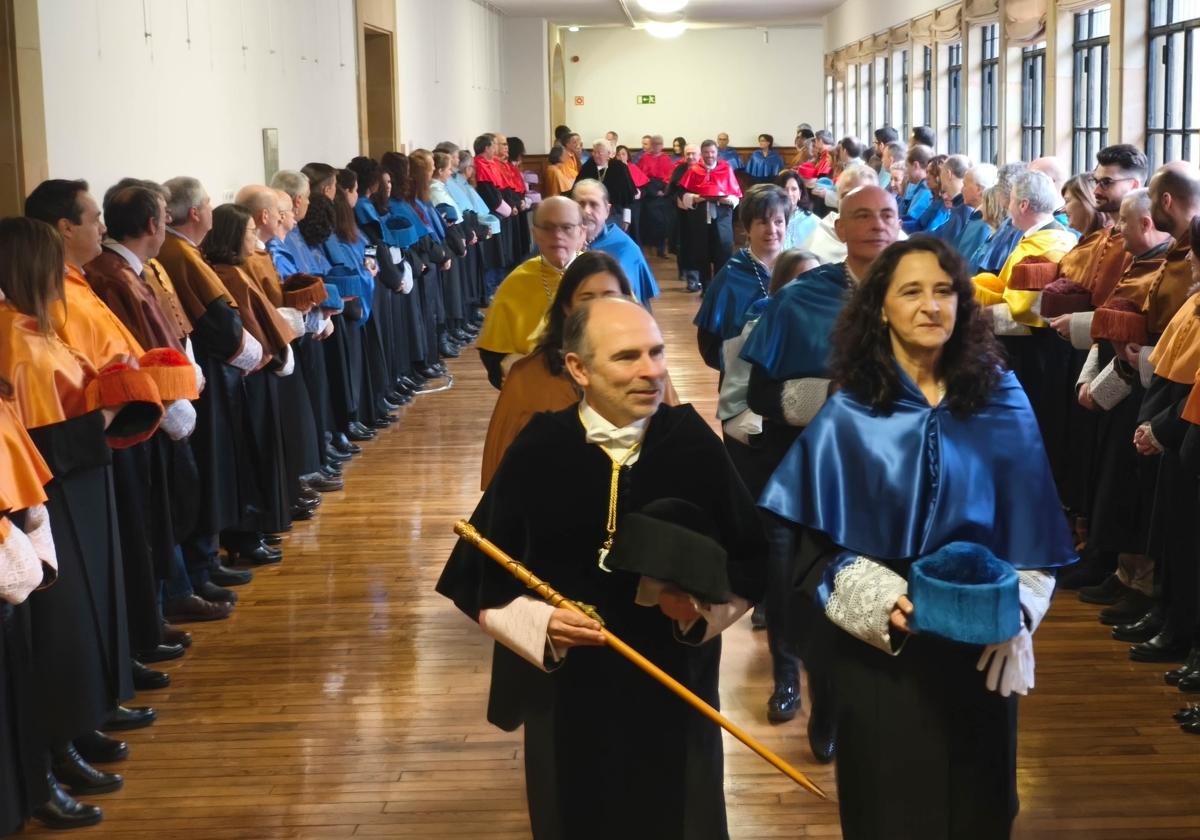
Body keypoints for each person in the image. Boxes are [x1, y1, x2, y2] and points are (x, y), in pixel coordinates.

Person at [760, 236, 1075, 838]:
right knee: (890, 808)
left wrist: (1021, 613)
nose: (931, 306)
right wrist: (875, 599)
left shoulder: (1002, 398)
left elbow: (1034, 523)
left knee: (977, 808)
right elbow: (806, 545)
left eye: (944, 291)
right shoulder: (850, 411)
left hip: (980, 649)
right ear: (881, 306)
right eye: (911, 292)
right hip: (883, 655)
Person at [438, 296, 766, 840]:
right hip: (569, 689)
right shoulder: (540, 449)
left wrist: (702, 611)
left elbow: (751, 560)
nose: (651, 371)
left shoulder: (692, 445)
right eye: (627, 357)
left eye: (657, 353)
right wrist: (539, 623)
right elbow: (476, 579)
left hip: (673, 684)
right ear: (578, 368)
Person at [740, 186, 902, 762]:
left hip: (894, 477)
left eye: (887, 214)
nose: (876, 224)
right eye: (862, 214)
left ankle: (852, 702)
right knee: (800, 586)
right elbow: (761, 391)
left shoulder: (924, 293)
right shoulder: (801, 298)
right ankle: (800, 682)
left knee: (872, 590)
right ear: (840, 225)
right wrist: (829, 398)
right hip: (810, 470)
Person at [479, 251, 670, 488]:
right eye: (587, 298)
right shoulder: (527, 377)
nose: (601, 308)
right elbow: (503, 479)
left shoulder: (649, 370)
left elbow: (674, 446)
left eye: (610, 296)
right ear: (567, 307)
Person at [476, 196, 585, 388]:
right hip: (535, 394)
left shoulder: (602, 276)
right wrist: (508, 364)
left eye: (567, 227)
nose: (557, 235)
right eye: (548, 228)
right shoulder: (516, 282)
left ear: (582, 233)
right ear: (535, 234)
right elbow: (493, 355)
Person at [694, 184, 790, 370]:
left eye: (778, 221)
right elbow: (709, 348)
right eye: (763, 222)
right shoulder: (729, 276)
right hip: (742, 384)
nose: (772, 230)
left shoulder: (799, 269)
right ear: (747, 228)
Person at [573, 179, 659, 308]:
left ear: (607, 210)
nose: (586, 211)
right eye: (580, 204)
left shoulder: (626, 248)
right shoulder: (558, 243)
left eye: (593, 204)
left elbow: (641, 307)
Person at [674, 139, 743, 292]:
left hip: (722, 217)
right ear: (702, 154)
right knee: (701, 252)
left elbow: (736, 195)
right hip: (700, 218)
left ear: (717, 153)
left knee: (723, 251)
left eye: (712, 152)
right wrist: (697, 198)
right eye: (706, 152)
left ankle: (720, 288)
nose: (709, 155)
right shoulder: (694, 170)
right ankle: (705, 287)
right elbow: (683, 193)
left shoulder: (726, 169)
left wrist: (728, 199)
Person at [574, 139, 637, 229]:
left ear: (609, 154)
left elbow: (627, 196)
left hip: (614, 213)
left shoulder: (619, 167)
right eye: (594, 152)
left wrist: (627, 219)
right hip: (591, 212)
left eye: (599, 153)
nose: (596, 155)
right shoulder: (587, 167)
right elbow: (577, 189)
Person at [776, 170, 818, 250]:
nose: (789, 194)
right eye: (785, 189)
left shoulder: (812, 220)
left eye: (794, 189)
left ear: (800, 193)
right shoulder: (770, 218)